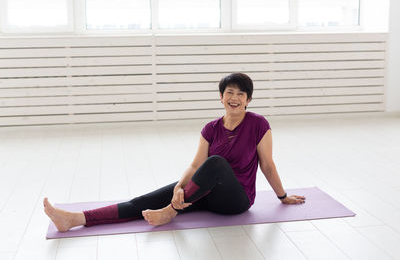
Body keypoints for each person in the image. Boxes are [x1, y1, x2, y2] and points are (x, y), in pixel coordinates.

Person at [43, 73, 306, 232]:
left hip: (236, 201)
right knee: (143, 201)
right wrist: (180, 186)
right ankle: (75, 219)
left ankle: (171, 211)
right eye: (229, 93)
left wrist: (282, 196)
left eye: (241, 94)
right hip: (207, 192)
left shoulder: (259, 124)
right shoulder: (211, 128)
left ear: (248, 100)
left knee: (215, 162)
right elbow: (194, 167)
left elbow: (268, 165)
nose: (234, 98)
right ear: (221, 97)